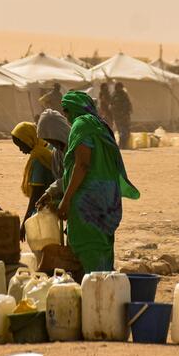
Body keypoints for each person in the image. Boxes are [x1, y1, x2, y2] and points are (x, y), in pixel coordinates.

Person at [57, 91, 139, 273]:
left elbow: (82, 164)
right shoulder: (101, 125)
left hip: (88, 198)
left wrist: (66, 199)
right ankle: (105, 287)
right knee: (102, 245)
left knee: (88, 246)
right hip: (108, 196)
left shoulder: (81, 124)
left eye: (66, 111)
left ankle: (94, 290)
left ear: (73, 109)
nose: (67, 117)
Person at [11, 122, 54, 238]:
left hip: (47, 206)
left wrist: (25, 222)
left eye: (21, 145)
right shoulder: (48, 146)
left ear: (28, 140)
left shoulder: (38, 159)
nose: (21, 150)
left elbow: (36, 194)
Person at [36, 109, 71, 207]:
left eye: (52, 139)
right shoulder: (57, 152)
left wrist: (51, 191)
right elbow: (60, 177)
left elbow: (73, 177)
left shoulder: (76, 147)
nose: (51, 143)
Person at [110, 82, 133, 150]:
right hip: (118, 116)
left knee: (126, 130)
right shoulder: (114, 95)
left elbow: (128, 105)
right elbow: (112, 106)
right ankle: (122, 145)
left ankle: (124, 145)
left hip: (124, 116)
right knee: (121, 131)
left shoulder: (124, 95)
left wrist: (127, 112)